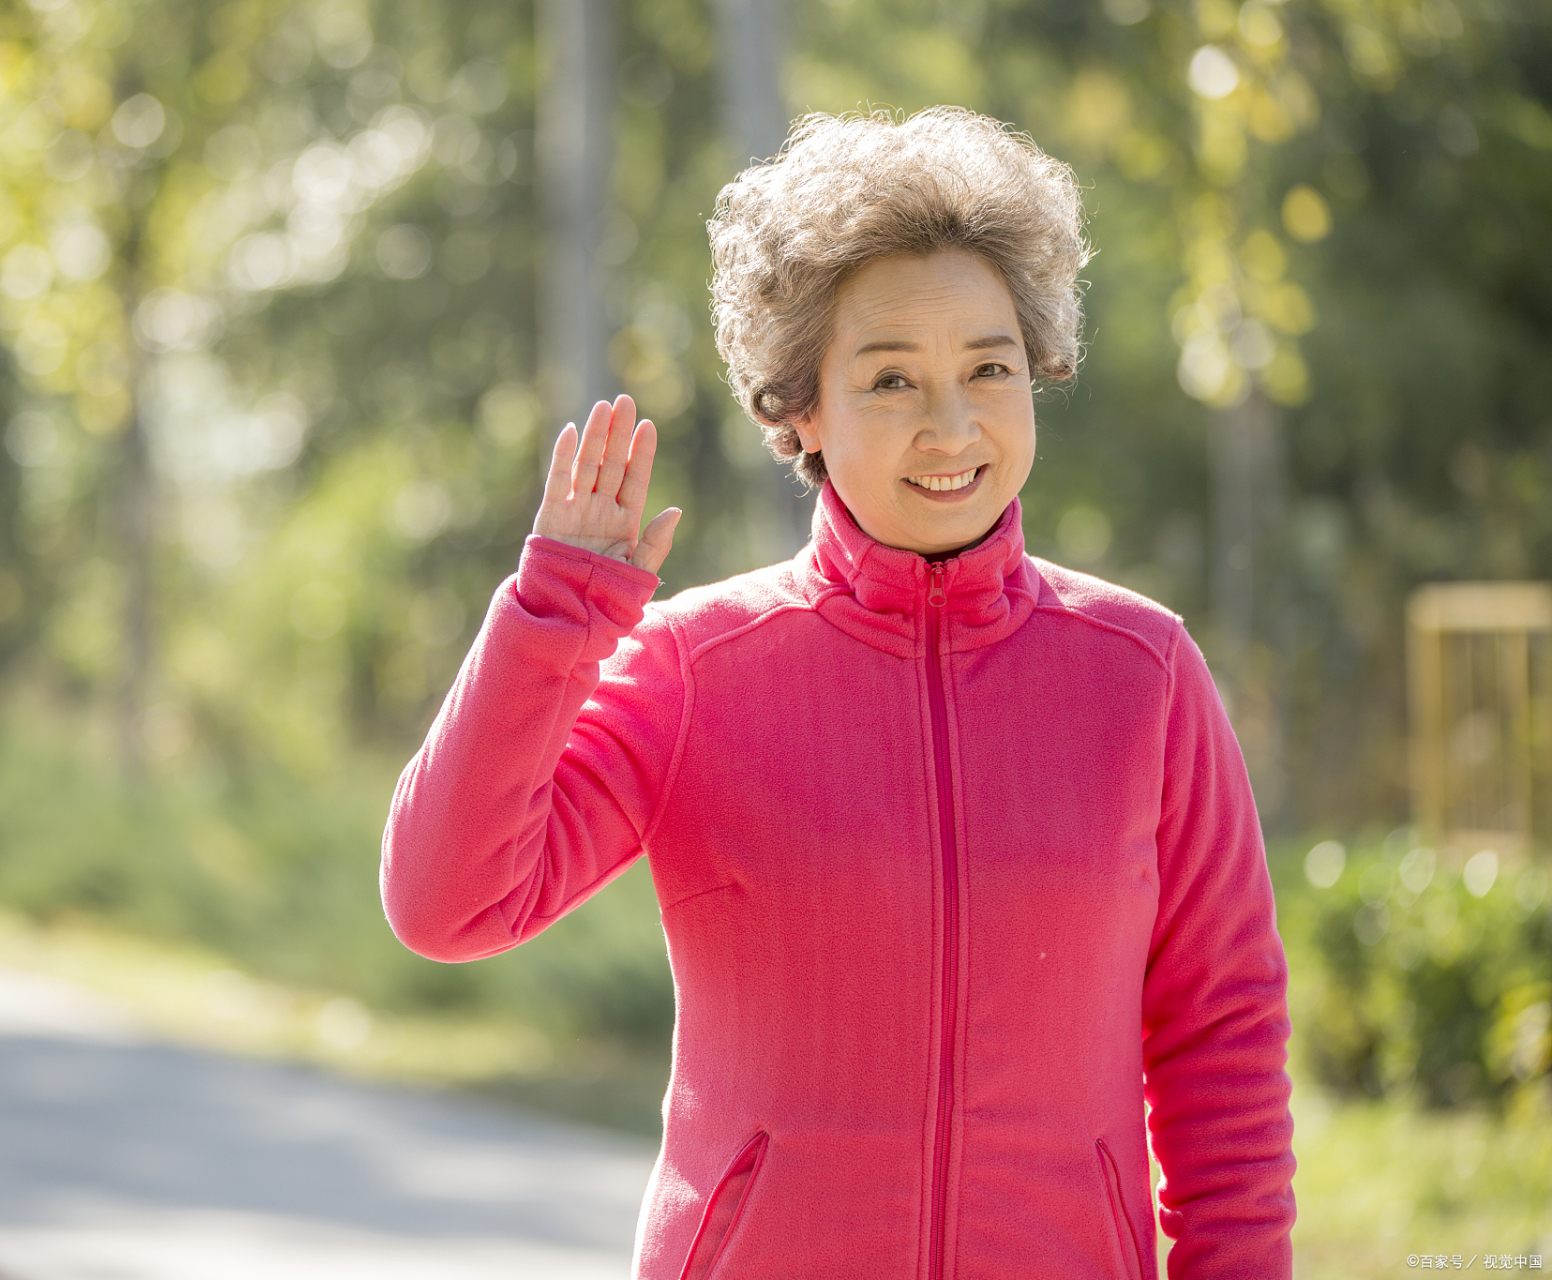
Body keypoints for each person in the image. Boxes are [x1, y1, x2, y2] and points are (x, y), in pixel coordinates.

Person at [381, 107, 1294, 1280]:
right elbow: (447, 902)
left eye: (988, 367)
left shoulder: (1145, 674)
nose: (951, 423)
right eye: (891, 378)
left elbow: (1221, 1034)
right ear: (800, 407)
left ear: (1038, 370)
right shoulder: (690, 667)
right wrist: (555, 618)